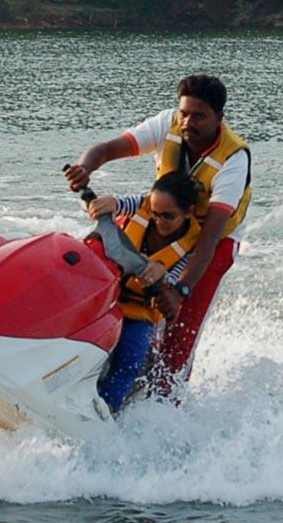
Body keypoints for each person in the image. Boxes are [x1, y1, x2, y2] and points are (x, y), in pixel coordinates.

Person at [64, 73, 251, 396]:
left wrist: (180, 290)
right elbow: (106, 150)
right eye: (185, 113)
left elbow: (206, 241)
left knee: (179, 325)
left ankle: (165, 400)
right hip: (159, 218)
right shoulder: (168, 124)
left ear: (219, 118)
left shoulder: (234, 160)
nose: (188, 122)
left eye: (199, 116)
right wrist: (85, 168)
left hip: (212, 241)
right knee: (98, 271)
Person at [87, 172, 201, 413]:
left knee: (132, 354)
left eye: (167, 216)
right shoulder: (142, 206)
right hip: (106, 293)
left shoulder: (191, 248)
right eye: (155, 213)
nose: (159, 220)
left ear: (188, 212)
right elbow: (117, 205)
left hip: (140, 312)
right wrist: (108, 204)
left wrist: (160, 274)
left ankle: (107, 408)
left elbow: (175, 278)